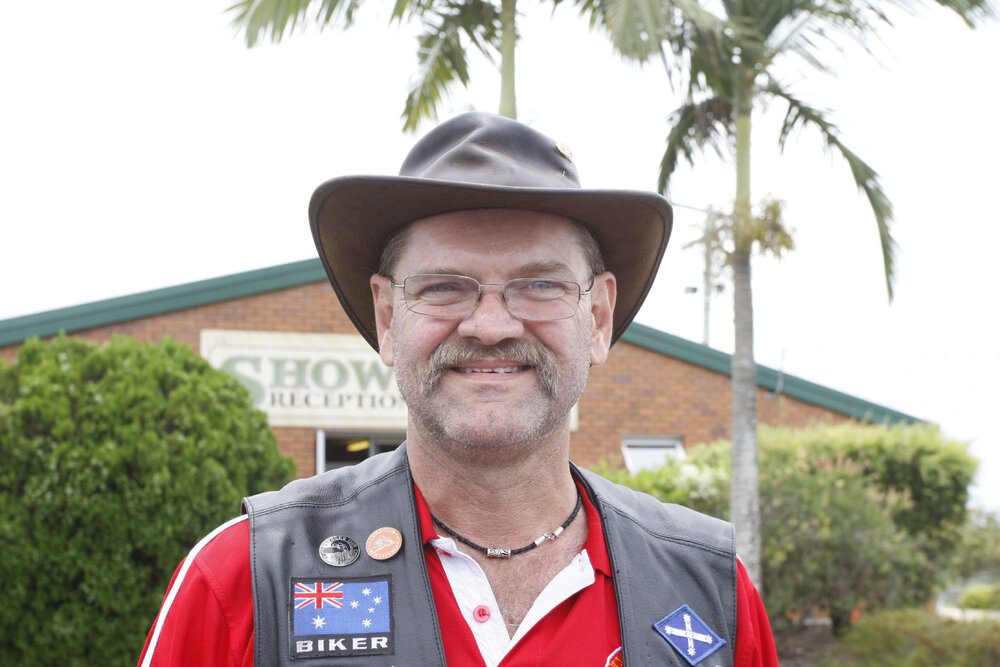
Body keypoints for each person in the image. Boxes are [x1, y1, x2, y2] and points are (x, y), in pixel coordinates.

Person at [138, 112, 778, 666]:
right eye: (444, 286)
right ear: (387, 318)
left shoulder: (709, 587)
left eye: (540, 285)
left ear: (599, 317)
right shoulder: (246, 577)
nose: (491, 327)